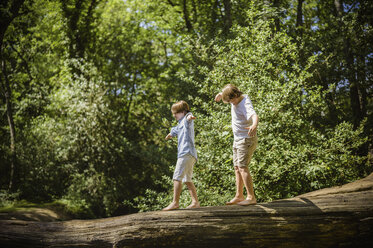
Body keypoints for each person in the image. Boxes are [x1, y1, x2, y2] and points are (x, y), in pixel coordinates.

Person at [215, 84, 259, 206]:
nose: (231, 104)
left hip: (246, 139)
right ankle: (239, 195)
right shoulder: (234, 97)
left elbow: (254, 115)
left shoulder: (245, 104)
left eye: (231, 101)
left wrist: (254, 125)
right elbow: (227, 93)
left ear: (235, 96)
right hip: (238, 139)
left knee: (242, 167)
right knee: (236, 167)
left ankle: (251, 197)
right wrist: (220, 94)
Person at [163, 100, 200, 211]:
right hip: (190, 155)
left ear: (183, 112)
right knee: (187, 179)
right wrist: (170, 134)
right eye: (173, 113)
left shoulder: (187, 118)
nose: (174, 115)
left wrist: (189, 118)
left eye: (176, 113)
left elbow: (189, 117)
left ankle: (175, 203)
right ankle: (195, 202)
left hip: (186, 153)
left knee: (177, 177)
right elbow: (176, 129)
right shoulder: (180, 123)